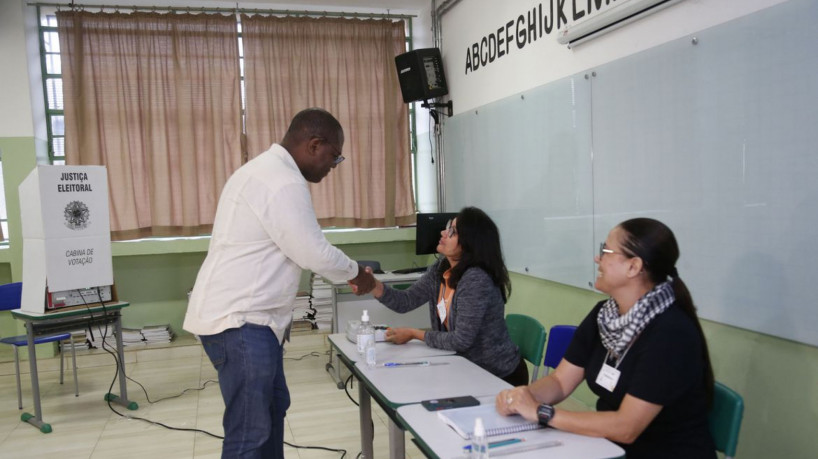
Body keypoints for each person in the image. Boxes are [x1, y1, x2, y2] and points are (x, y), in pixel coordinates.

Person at [183, 108, 376, 459]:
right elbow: (312, 251)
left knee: (272, 412)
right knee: (250, 432)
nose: (334, 165)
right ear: (315, 145)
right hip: (241, 322)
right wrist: (356, 273)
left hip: (250, 322)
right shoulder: (281, 181)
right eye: (335, 156)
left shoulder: (267, 171)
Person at [495, 218, 716, 458]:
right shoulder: (604, 315)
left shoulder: (671, 334)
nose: (597, 258)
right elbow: (560, 381)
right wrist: (522, 398)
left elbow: (627, 428)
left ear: (634, 266)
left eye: (606, 251)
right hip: (606, 447)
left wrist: (542, 412)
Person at [359, 206, 528, 386]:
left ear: (470, 244)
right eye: (448, 227)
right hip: (464, 367)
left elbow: (460, 340)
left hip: (497, 375)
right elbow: (406, 301)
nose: (443, 233)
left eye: (452, 232)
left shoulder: (476, 279)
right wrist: (373, 285)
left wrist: (414, 333)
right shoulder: (440, 268)